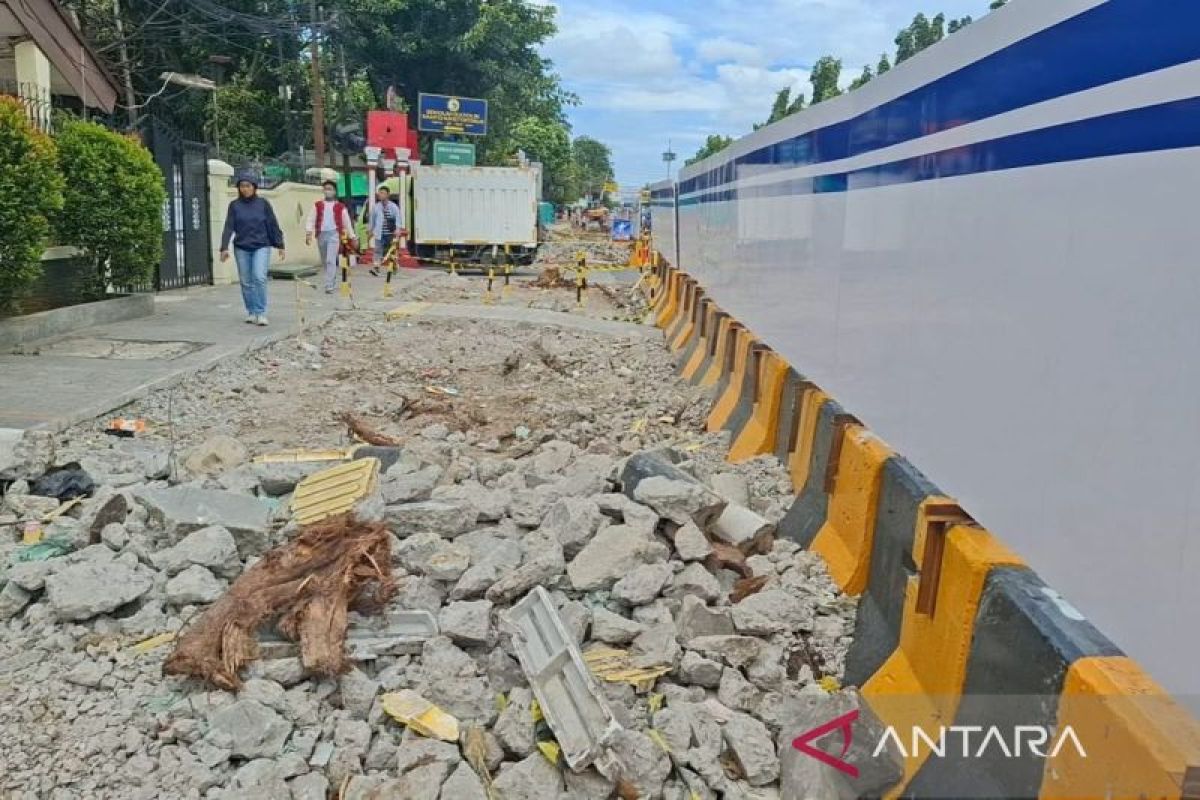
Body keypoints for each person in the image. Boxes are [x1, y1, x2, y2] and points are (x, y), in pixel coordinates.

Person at [219, 171, 285, 326]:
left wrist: (280, 244)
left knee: (259, 277)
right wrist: (224, 247)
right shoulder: (234, 206)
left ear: (254, 187)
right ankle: (251, 311)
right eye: (242, 186)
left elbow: (272, 224)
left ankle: (261, 312)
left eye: (248, 186)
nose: (245, 189)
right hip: (241, 247)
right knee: (246, 281)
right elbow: (229, 227)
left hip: (261, 246)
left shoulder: (263, 204)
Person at [305, 180, 357, 294]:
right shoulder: (317, 205)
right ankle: (330, 278)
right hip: (321, 234)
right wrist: (308, 232)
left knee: (330, 260)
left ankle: (329, 285)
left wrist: (352, 236)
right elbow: (311, 218)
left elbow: (347, 222)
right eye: (326, 189)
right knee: (324, 261)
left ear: (334, 191)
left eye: (330, 189)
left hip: (334, 234)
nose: (328, 191)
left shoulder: (340, 206)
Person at [368, 185, 401, 277]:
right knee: (377, 251)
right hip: (379, 233)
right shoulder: (376, 207)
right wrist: (370, 231)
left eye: (383, 193)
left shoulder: (393, 207)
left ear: (388, 194)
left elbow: (398, 219)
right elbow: (372, 220)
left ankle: (394, 266)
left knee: (391, 252)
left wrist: (397, 229)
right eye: (379, 193)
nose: (380, 195)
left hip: (390, 233)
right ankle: (376, 268)